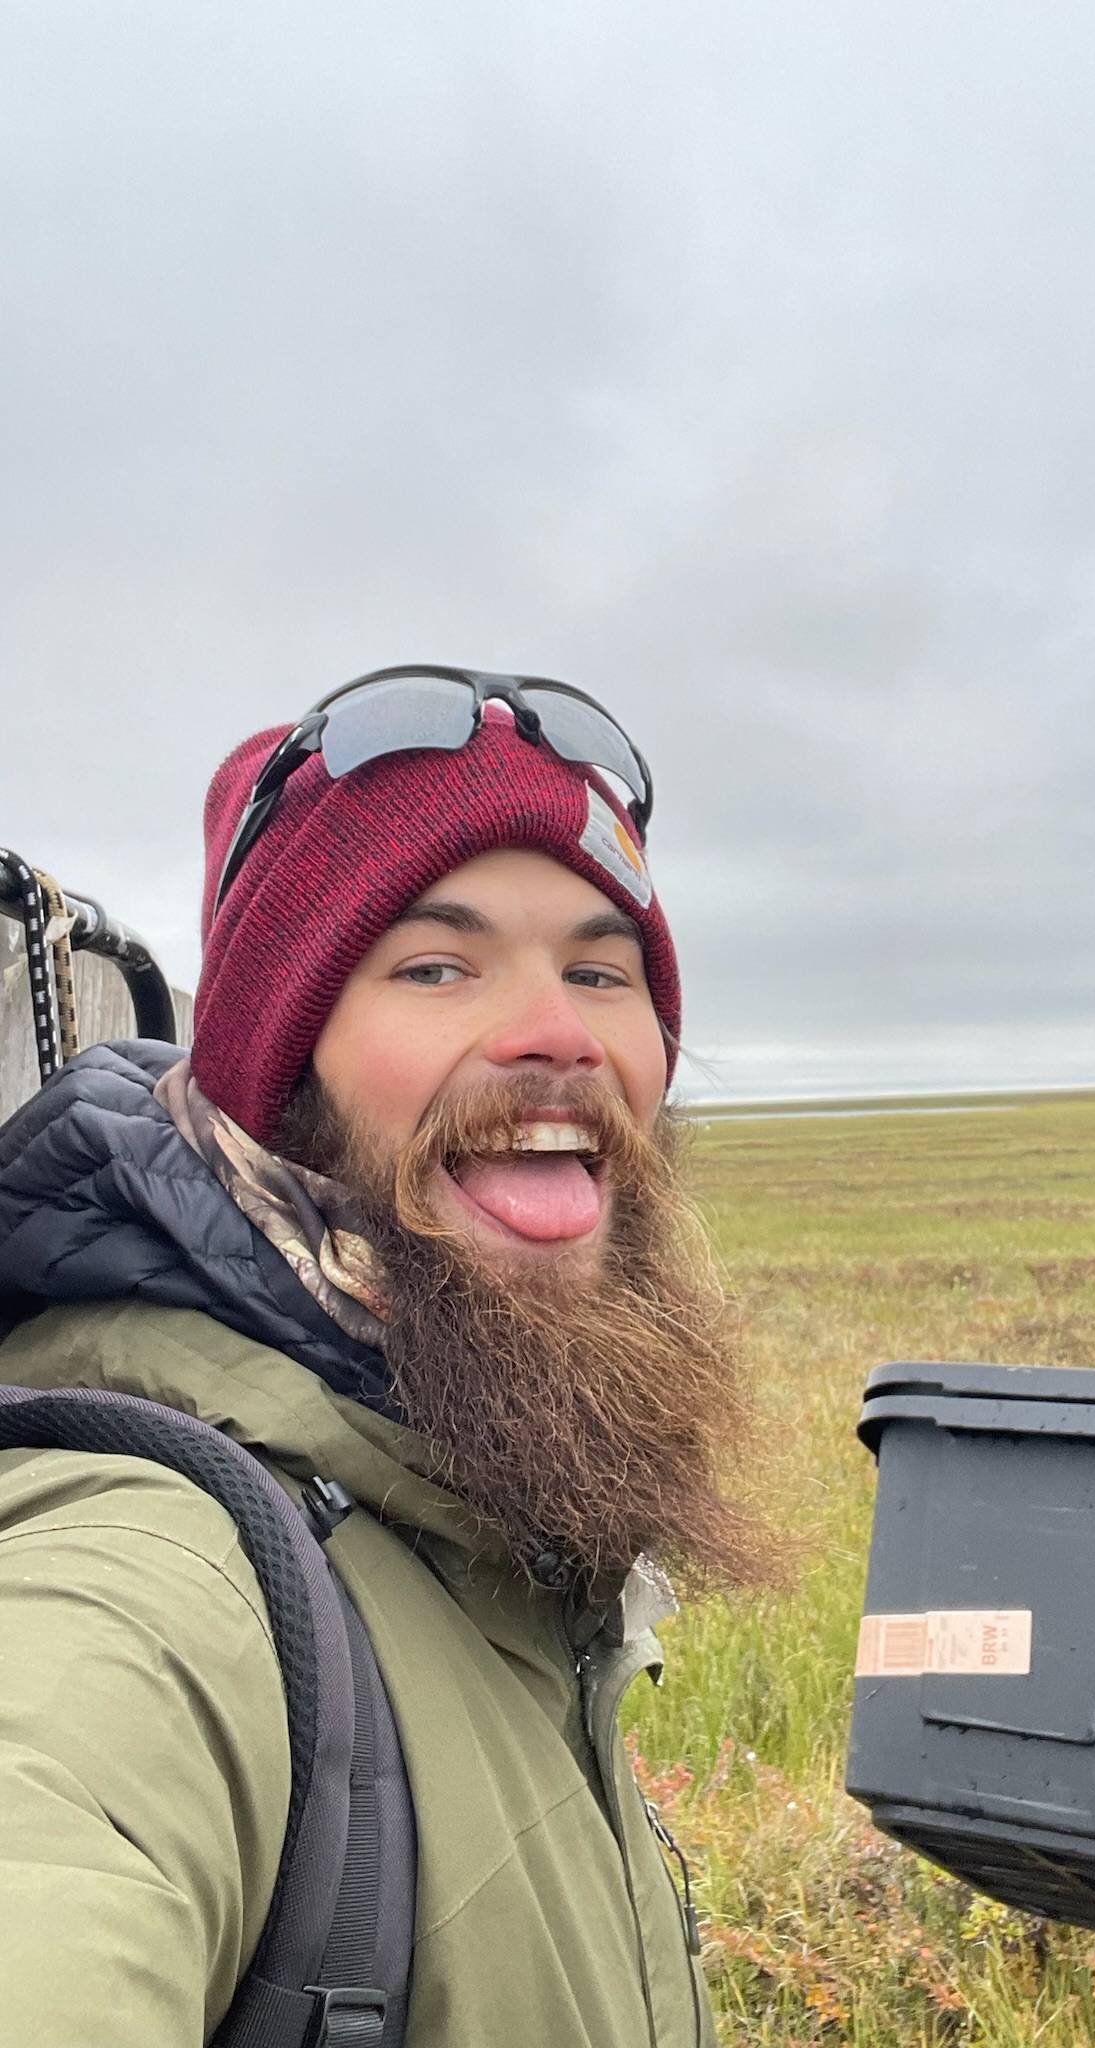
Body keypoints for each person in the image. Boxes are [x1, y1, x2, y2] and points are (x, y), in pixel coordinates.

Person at [0, 666, 772, 2045]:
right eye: (435, 966)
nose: (559, 1033)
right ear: (277, 1075)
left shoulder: (478, 1486)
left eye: (600, 970)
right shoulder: (150, 1584)